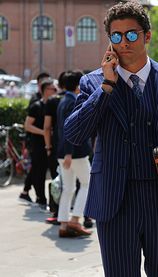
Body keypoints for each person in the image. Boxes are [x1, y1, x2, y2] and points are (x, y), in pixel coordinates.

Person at [64, 2, 158, 276]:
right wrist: (106, 87)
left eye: (131, 34)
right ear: (109, 39)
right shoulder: (93, 83)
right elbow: (74, 133)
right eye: (116, 36)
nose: (124, 42)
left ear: (147, 35)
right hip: (114, 201)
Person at [56, 70, 92, 238]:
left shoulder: (63, 101)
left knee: (68, 188)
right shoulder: (73, 101)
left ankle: (63, 224)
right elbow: (70, 129)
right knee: (87, 184)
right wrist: (70, 152)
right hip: (75, 152)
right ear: (78, 85)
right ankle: (75, 220)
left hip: (64, 152)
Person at [24, 79, 57, 210]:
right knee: (39, 172)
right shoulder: (36, 106)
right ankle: (41, 199)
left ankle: (54, 203)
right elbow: (27, 125)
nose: (55, 92)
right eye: (52, 89)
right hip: (38, 144)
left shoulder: (55, 105)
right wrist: (44, 132)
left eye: (55, 89)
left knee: (54, 173)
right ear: (44, 91)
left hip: (52, 144)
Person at [44, 71, 67, 224]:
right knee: (78, 182)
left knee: (56, 179)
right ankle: (81, 215)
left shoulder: (52, 101)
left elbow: (47, 127)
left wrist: (48, 146)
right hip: (76, 148)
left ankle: (56, 212)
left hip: (56, 147)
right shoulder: (79, 97)